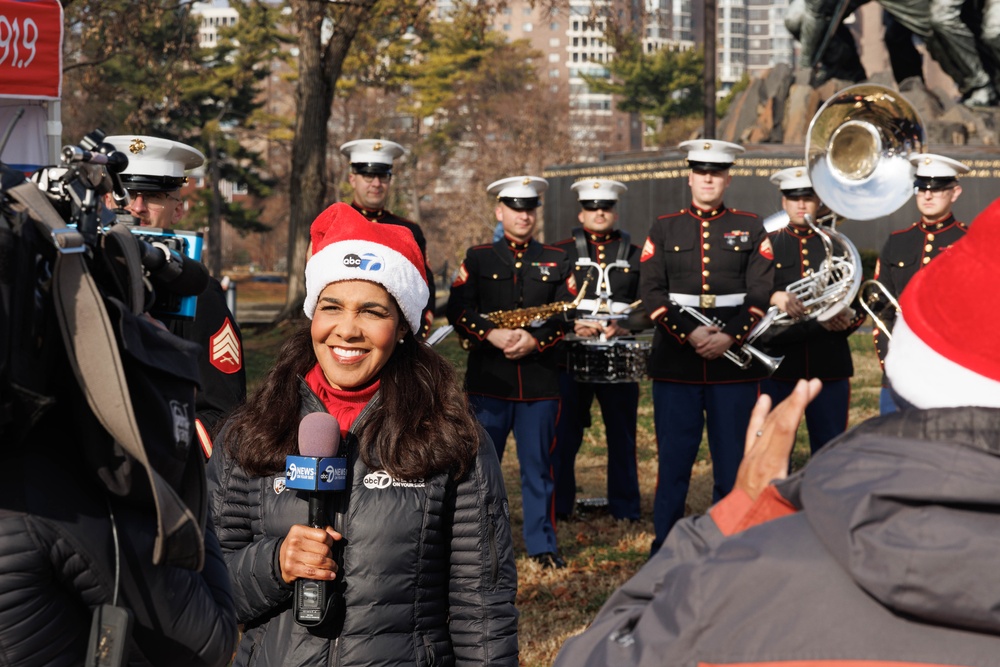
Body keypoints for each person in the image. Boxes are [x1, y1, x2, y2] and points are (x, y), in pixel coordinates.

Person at [553, 196, 1000, 667]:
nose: (803, 205)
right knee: (673, 465)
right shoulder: (680, 229)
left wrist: (736, 513)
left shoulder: (741, 585)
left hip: (790, 369)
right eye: (795, 196)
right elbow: (660, 294)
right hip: (690, 365)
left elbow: (599, 655)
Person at [208, 203, 518, 666]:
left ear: (403, 329)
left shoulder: (452, 440)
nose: (347, 330)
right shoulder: (250, 433)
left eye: (372, 311)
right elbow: (206, 590)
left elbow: (484, 611)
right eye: (332, 307)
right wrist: (276, 564)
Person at [638, 139, 774, 555]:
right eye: (701, 171)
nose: (708, 178)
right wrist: (690, 333)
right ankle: (665, 545)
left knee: (733, 464)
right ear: (690, 176)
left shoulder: (752, 226)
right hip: (677, 364)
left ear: (727, 178)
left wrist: (730, 334)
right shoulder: (664, 227)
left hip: (733, 366)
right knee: (674, 465)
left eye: (716, 172)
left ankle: (728, 544)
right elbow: (652, 291)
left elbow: (761, 292)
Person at [446, 176, 575, 569]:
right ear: (500, 212)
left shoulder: (556, 257)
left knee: (540, 469)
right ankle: (479, 545)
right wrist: (492, 333)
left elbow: (567, 311)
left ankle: (542, 544)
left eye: (529, 209)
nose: (523, 216)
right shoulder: (479, 256)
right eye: (515, 209)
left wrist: (537, 340)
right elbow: (457, 308)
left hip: (539, 381)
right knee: (480, 470)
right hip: (491, 381)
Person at [104, 134, 246, 456]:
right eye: (126, 193)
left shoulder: (199, 294)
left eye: (153, 196)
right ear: (108, 201)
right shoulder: (76, 276)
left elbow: (222, 413)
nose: (137, 207)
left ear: (178, 210)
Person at [552, 178, 642, 522]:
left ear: (614, 212)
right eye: (592, 207)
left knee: (622, 436)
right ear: (581, 211)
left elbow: (649, 299)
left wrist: (628, 324)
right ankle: (560, 507)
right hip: (571, 358)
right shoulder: (560, 252)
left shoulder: (635, 253)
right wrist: (571, 323)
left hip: (618, 355)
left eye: (605, 207)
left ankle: (626, 508)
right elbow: (552, 300)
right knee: (565, 436)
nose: (599, 212)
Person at [761, 167, 864, 453]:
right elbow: (752, 293)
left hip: (828, 363)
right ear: (784, 202)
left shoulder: (839, 246)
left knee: (829, 448)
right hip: (780, 363)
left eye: (808, 197)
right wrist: (774, 296)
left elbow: (856, 299)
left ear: (818, 201)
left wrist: (847, 319)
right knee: (774, 449)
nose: (801, 204)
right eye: (794, 198)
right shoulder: (768, 246)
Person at [872, 153, 969, 415]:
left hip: (951, 374)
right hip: (899, 372)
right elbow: (882, 310)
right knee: (895, 449)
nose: (927, 196)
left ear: (955, 192)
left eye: (937, 189)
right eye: (921, 188)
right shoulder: (897, 242)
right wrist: (890, 362)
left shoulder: (970, 242)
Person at [340, 138, 436, 339]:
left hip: (396, 335)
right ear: (352, 179)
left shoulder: (408, 230)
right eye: (368, 176)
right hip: (346, 331)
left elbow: (424, 287)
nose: (376, 184)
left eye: (383, 176)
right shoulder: (336, 226)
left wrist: (416, 334)